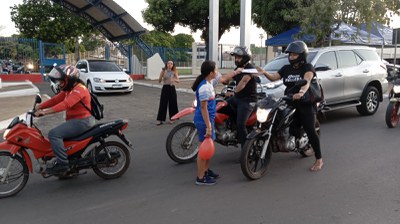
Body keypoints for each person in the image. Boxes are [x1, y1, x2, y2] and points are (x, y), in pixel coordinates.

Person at [256, 40, 323, 171]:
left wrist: (302, 92)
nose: (291, 57)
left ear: (302, 55)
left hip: (304, 103)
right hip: (289, 100)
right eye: (290, 55)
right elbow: (274, 77)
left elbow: (307, 81)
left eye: (294, 55)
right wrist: (264, 72)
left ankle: (319, 159)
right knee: (277, 120)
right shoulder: (286, 68)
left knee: (310, 130)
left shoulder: (307, 67)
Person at [34, 64, 95, 175]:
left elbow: (65, 104)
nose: (59, 84)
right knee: (62, 139)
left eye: (61, 81)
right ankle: (70, 163)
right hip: (75, 121)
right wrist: (40, 106)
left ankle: (63, 165)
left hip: (83, 121)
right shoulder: (69, 89)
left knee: (54, 134)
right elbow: (55, 100)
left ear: (69, 79)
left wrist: (44, 112)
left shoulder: (79, 89)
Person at [191, 60, 242, 185]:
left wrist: (237, 72)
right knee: (203, 150)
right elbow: (203, 109)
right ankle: (200, 177)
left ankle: (206, 170)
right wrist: (208, 126)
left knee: (208, 146)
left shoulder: (209, 82)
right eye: (216, 70)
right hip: (204, 121)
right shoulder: (205, 88)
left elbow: (223, 78)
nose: (217, 71)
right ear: (210, 72)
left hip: (207, 120)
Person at [226, 46, 258, 148]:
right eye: (235, 57)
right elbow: (229, 80)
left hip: (248, 101)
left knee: (241, 124)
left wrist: (234, 91)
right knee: (221, 107)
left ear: (245, 57)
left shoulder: (250, 69)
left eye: (238, 57)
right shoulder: (238, 69)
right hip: (238, 98)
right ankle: (229, 131)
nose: (236, 59)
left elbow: (243, 83)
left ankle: (246, 149)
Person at [156, 60, 179, 125]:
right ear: (166, 64)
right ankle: (161, 119)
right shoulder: (163, 71)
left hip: (172, 88)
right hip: (165, 88)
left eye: (171, 64)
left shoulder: (174, 71)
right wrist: (160, 77)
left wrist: (174, 79)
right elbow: (159, 81)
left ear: (173, 65)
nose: (170, 65)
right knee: (163, 103)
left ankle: (172, 118)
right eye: (168, 63)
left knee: (173, 103)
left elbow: (178, 80)